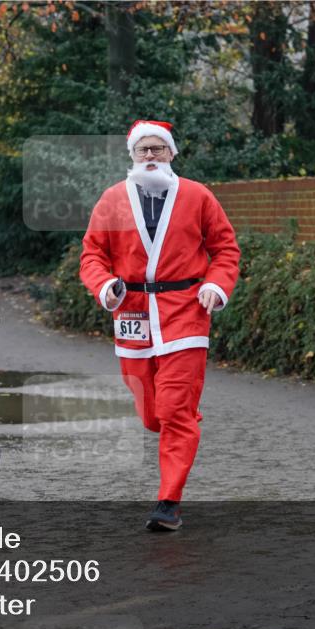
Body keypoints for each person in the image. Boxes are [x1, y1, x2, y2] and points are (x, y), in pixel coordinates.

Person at [79, 120, 241, 532]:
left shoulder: (198, 196)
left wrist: (215, 287)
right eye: (142, 150)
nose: (150, 156)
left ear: (172, 154)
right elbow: (92, 255)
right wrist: (104, 287)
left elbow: (225, 248)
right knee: (152, 415)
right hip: (132, 313)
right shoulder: (112, 199)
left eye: (158, 149)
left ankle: (168, 502)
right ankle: (180, 417)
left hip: (185, 312)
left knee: (174, 411)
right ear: (131, 155)